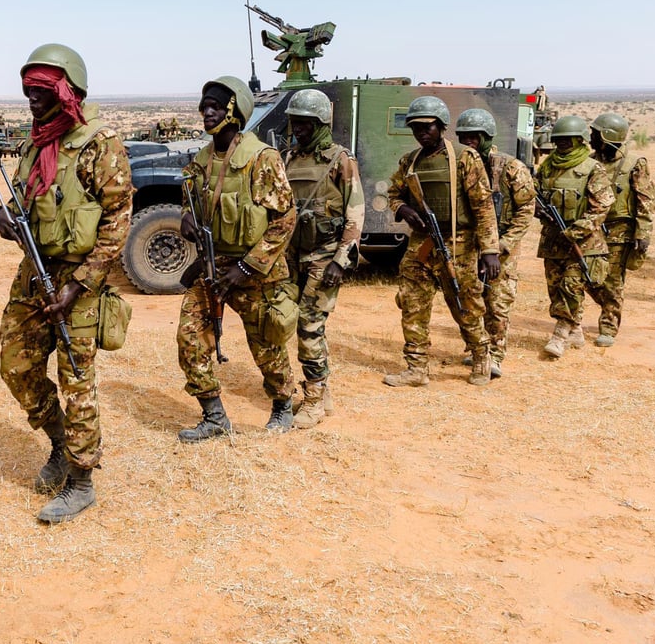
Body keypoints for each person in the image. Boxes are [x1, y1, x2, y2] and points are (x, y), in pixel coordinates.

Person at [0, 43, 132, 523]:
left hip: (78, 280)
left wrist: (82, 282)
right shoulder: (36, 141)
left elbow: (118, 218)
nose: (30, 100)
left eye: (39, 91)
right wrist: (5, 216)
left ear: (65, 90)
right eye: (27, 91)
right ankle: (59, 442)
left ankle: (81, 480)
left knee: (76, 379)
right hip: (34, 274)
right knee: (16, 367)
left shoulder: (100, 143)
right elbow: (19, 196)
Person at [176, 75, 298, 439]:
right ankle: (214, 415)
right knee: (190, 338)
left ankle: (283, 405)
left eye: (215, 106)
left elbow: (285, 219)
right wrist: (185, 216)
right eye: (204, 106)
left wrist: (247, 267)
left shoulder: (261, 159)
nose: (207, 112)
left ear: (235, 110)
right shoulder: (201, 159)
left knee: (266, 344)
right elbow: (189, 197)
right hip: (213, 267)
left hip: (254, 270)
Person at [382, 96, 501, 388]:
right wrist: (403, 209)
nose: (422, 133)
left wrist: (489, 250)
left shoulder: (464, 158)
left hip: (458, 243)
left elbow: (483, 206)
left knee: (465, 303)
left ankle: (482, 356)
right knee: (412, 303)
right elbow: (394, 193)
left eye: (428, 127)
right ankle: (416, 367)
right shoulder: (410, 160)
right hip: (421, 245)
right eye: (416, 127)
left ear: (442, 126)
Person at [282, 88, 363, 429]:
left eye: (304, 123)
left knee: (310, 325)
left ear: (320, 124)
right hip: (291, 256)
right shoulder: (287, 160)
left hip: (324, 255)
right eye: (294, 123)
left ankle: (313, 399)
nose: (297, 129)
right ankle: (322, 389)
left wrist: (339, 261)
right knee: (286, 322)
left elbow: (355, 214)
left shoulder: (340, 160)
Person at [454, 108, 535, 378]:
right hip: (469, 246)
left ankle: (496, 355)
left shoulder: (511, 167)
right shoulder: (458, 166)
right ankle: (478, 349)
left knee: (498, 302)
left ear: (487, 136)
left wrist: (505, 243)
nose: (469, 143)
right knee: (471, 301)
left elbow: (526, 210)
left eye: (474, 138)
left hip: (501, 249)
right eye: (464, 137)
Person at [535, 115, 613, 356]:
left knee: (571, 286)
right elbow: (535, 195)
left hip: (584, 242)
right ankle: (575, 330)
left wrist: (574, 232)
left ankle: (559, 335)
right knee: (555, 286)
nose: (563, 146)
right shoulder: (548, 166)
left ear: (581, 141)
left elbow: (601, 206)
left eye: (568, 141)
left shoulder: (592, 169)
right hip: (553, 239)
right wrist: (539, 211)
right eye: (559, 141)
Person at [583, 112, 655, 347]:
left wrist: (642, 233)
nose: (590, 138)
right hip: (593, 229)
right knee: (587, 277)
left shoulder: (634, 164)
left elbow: (645, 200)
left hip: (620, 231)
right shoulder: (590, 162)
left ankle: (608, 326)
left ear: (607, 136)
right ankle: (607, 307)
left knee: (613, 280)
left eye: (595, 134)